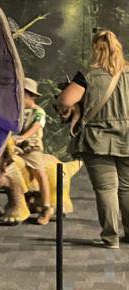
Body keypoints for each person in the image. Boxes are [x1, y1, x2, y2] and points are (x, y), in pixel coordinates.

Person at [57, 29, 129, 249]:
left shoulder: (87, 76)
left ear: (96, 50)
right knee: (127, 188)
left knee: (106, 189)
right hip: (127, 138)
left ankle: (111, 238)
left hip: (97, 140)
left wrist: (74, 108)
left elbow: (65, 101)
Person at [14, 77, 53, 225]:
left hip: (31, 148)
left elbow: (37, 125)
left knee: (40, 173)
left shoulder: (38, 112)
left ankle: (47, 206)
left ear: (29, 95)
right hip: (16, 149)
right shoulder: (17, 111)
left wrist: (23, 138)